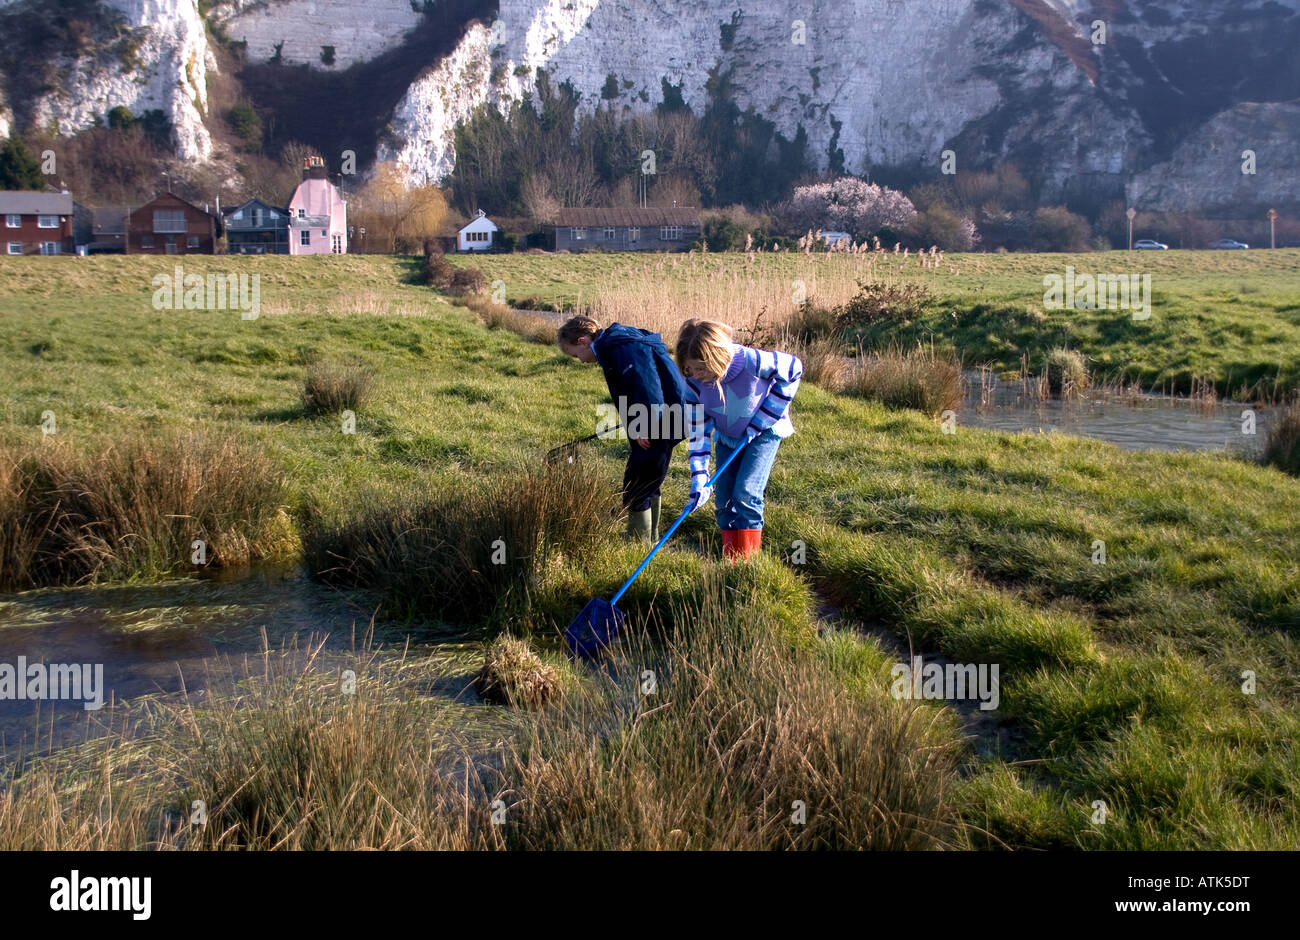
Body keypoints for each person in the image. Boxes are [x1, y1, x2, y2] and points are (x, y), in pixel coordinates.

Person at [675, 319, 802, 561]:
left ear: (717, 358)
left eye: (701, 369)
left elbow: (794, 369)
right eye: (691, 369)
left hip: (764, 433)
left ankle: (747, 563)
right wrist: (699, 478)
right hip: (728, 436)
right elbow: (699, 432)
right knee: (723, 498)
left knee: (745, 492)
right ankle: (731, 562)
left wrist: (763, 419)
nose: (696, 375)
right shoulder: (692, 383)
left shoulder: (752, 361)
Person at [558, 315, 691, 542]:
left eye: (575, 354)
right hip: (668, 417)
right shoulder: (616, 343)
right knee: (646, 476)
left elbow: (646, 386)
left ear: (582, 341)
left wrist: (644, 427)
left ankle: (638, 542)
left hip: (661, 421)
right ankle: (648, 536)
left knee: (638, 483)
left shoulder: (620, 347)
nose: (579, 360)